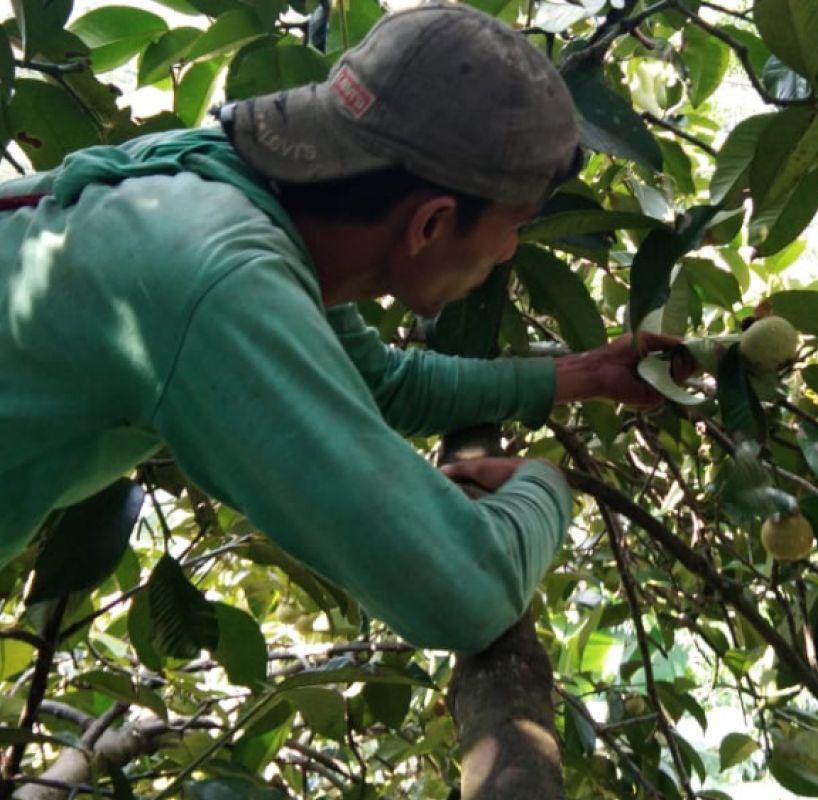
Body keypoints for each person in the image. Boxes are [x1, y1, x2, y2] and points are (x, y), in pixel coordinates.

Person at [0, 4, 678, 653]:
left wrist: (585, 376)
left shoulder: (237, 189)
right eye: (514, 230)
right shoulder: (218, 285)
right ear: (431, 224)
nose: (508, 253)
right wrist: (546, 487)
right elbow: (467, 592)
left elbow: (381, 382)